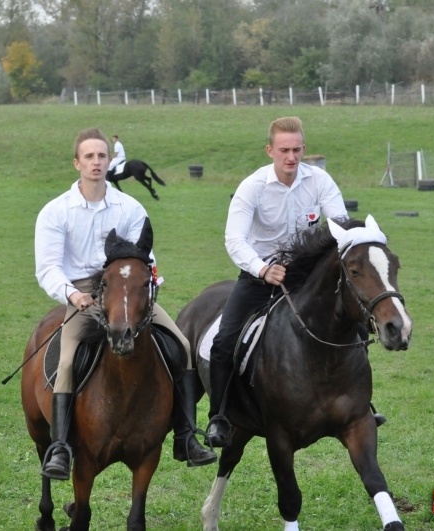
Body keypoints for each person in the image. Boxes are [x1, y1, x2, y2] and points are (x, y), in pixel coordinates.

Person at [35, 127, 216, 480]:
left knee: (181, 345)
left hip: (128, 288)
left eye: (102, 155)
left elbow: (146, 257)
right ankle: (60, 447)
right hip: (84, 291)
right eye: (89, 156)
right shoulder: (55, 211)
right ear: (77, 163)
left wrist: (150, 285)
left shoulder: (129, 206)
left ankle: (185, 436)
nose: (96, 162)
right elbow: (48, 267)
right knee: (69, 356)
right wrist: (73, 294)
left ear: (110, 160)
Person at [206, 116, 386, 448]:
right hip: (259, 277)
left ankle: (361, 406)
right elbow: (234, 239)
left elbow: (340, 227)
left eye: (297, 149)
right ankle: (218, 417)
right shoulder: (252, 187)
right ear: (270, 150)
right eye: (284, 150)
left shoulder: (319, 180)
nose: (291, 157)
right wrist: (262, 269)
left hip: (306, 278)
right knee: (224, 342)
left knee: (357, 329)